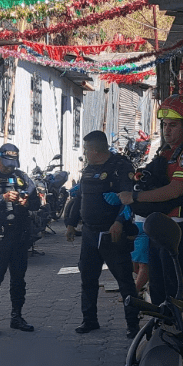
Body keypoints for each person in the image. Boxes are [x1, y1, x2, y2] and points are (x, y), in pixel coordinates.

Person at [119, 95, 183, 305]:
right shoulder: (167, 152)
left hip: (177, 229)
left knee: (175, 287)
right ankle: (161, 329)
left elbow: (175, 190)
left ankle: (178, 331)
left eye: (173, 125)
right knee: (157, 285)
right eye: (165, 125)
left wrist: (135, 197)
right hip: (158, 226)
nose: (167, 130)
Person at [64, 131, 140, 339]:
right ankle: (89, 320)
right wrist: (71, 224)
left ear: (96, 150)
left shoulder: (120, 168)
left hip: (111, 234)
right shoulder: (89, 169)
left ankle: (133, 325)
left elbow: (129, 199)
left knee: (124, 280)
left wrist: (119, 221)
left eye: (86, 149)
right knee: (88, 278)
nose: (85, 153)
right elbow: (80, 197)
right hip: (89, 233)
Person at [0, 144, 40, 337]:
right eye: (6, 164)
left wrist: (27, 202)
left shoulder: (22, 177)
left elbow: (36, 202)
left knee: (19, 280)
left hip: (20, 236)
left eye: (13, 164)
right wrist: (3, 198)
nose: (10, 167)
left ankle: (17, 317)